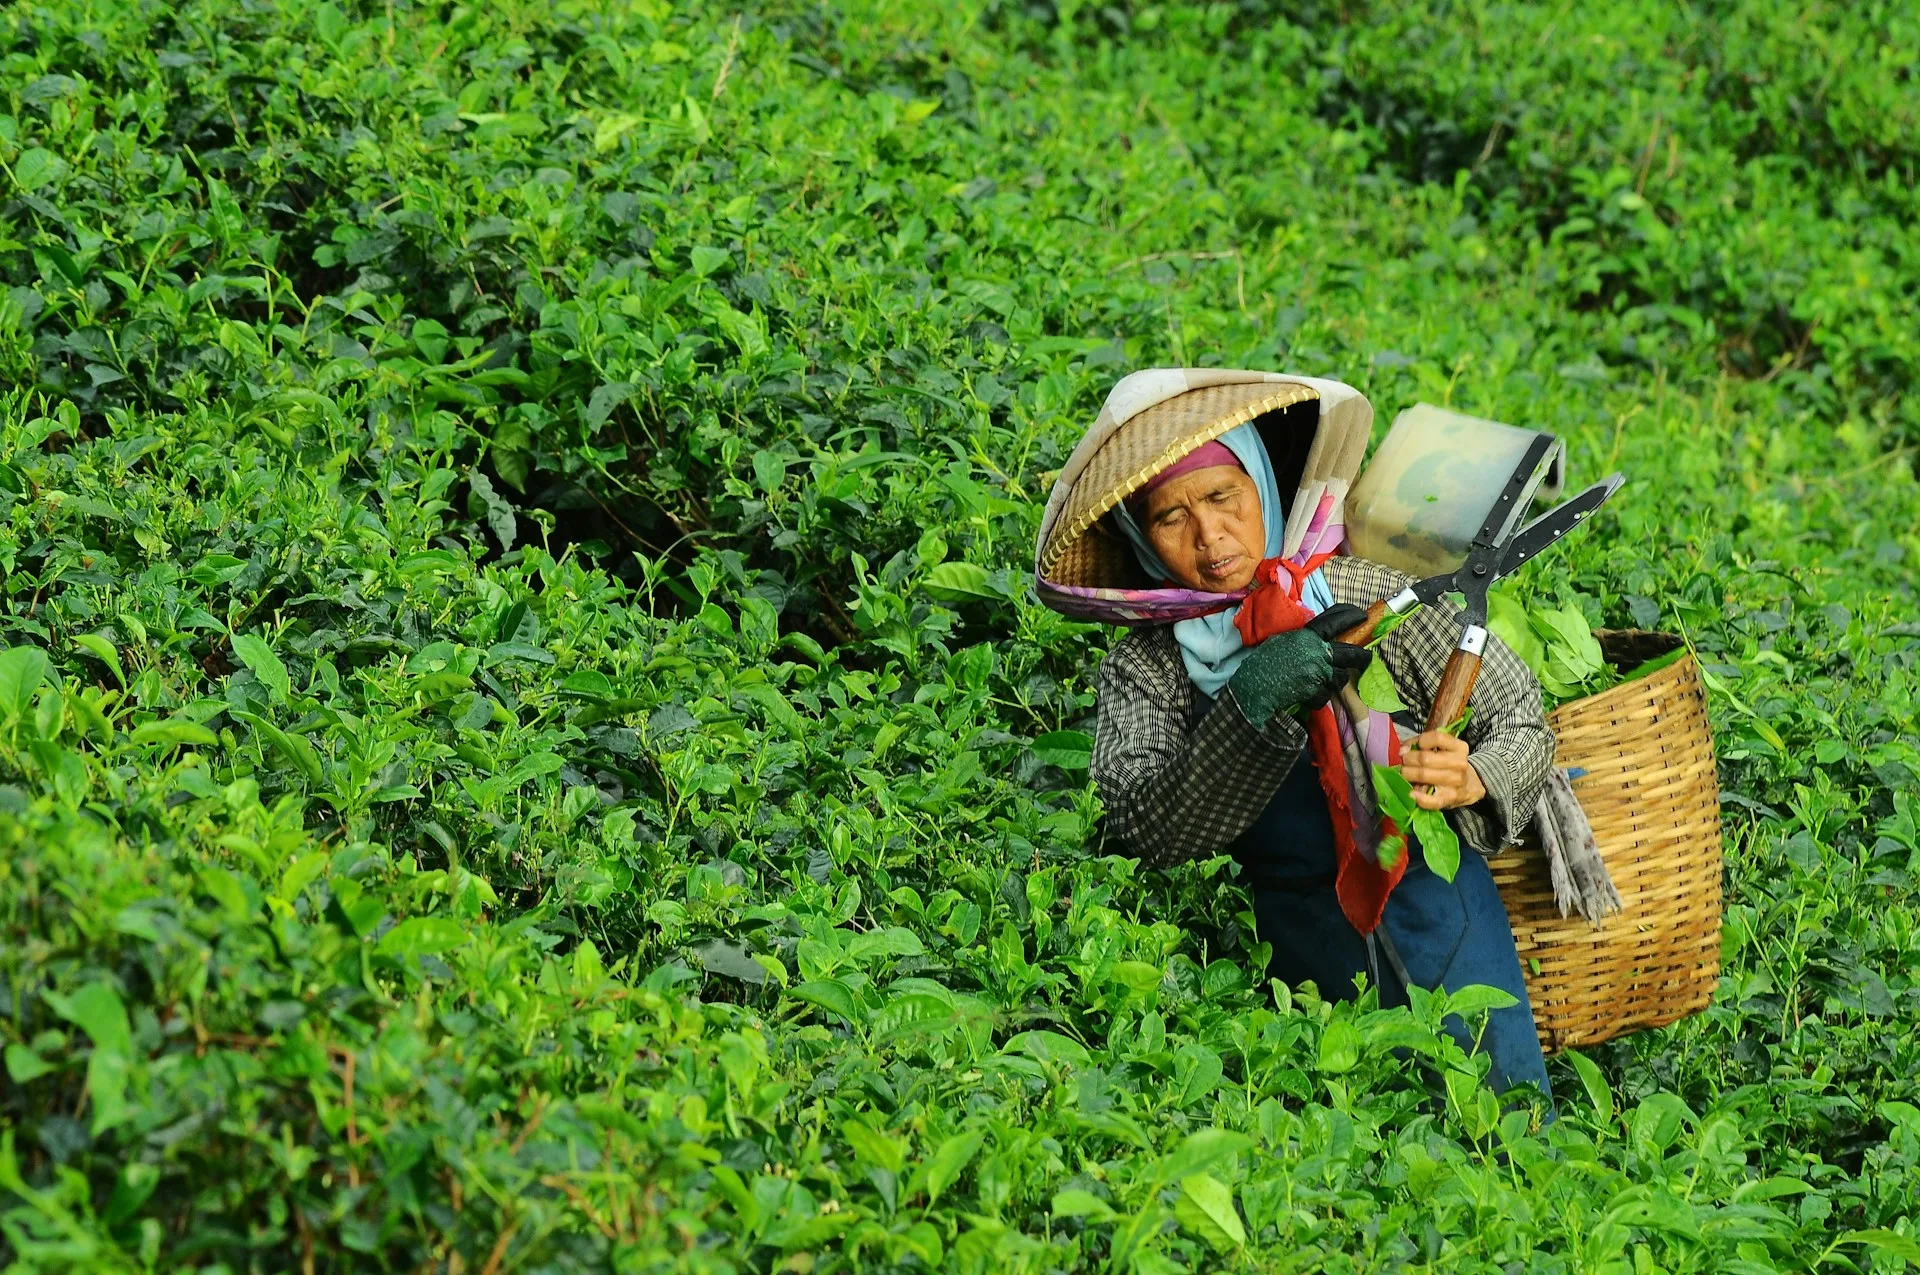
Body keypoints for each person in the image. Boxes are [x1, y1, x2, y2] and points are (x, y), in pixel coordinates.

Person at [1077, 405, 1556, 1102]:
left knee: (1510, 1129)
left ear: (1263, 489)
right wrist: (1252, 698)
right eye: (1170, 518)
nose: (1210, 537)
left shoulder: (1364, 592)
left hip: (1449, 924)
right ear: (1141, 537)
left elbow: (1521, 716)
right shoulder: (1148, 668)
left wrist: (1476, 774)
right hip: (1304, 957)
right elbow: (1146, 826)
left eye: (1222, 496)